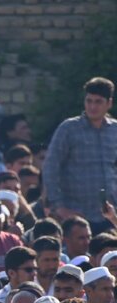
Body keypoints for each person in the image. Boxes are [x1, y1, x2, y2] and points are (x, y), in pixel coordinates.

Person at [42, 77, 117, 228]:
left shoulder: (114, 130)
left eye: (98, 101)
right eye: (89, 101)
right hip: (75, 214)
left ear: (109, 103)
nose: (92, 106)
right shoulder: (68, 129)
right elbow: (51, 166)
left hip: (109, 215)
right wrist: (59, 206)